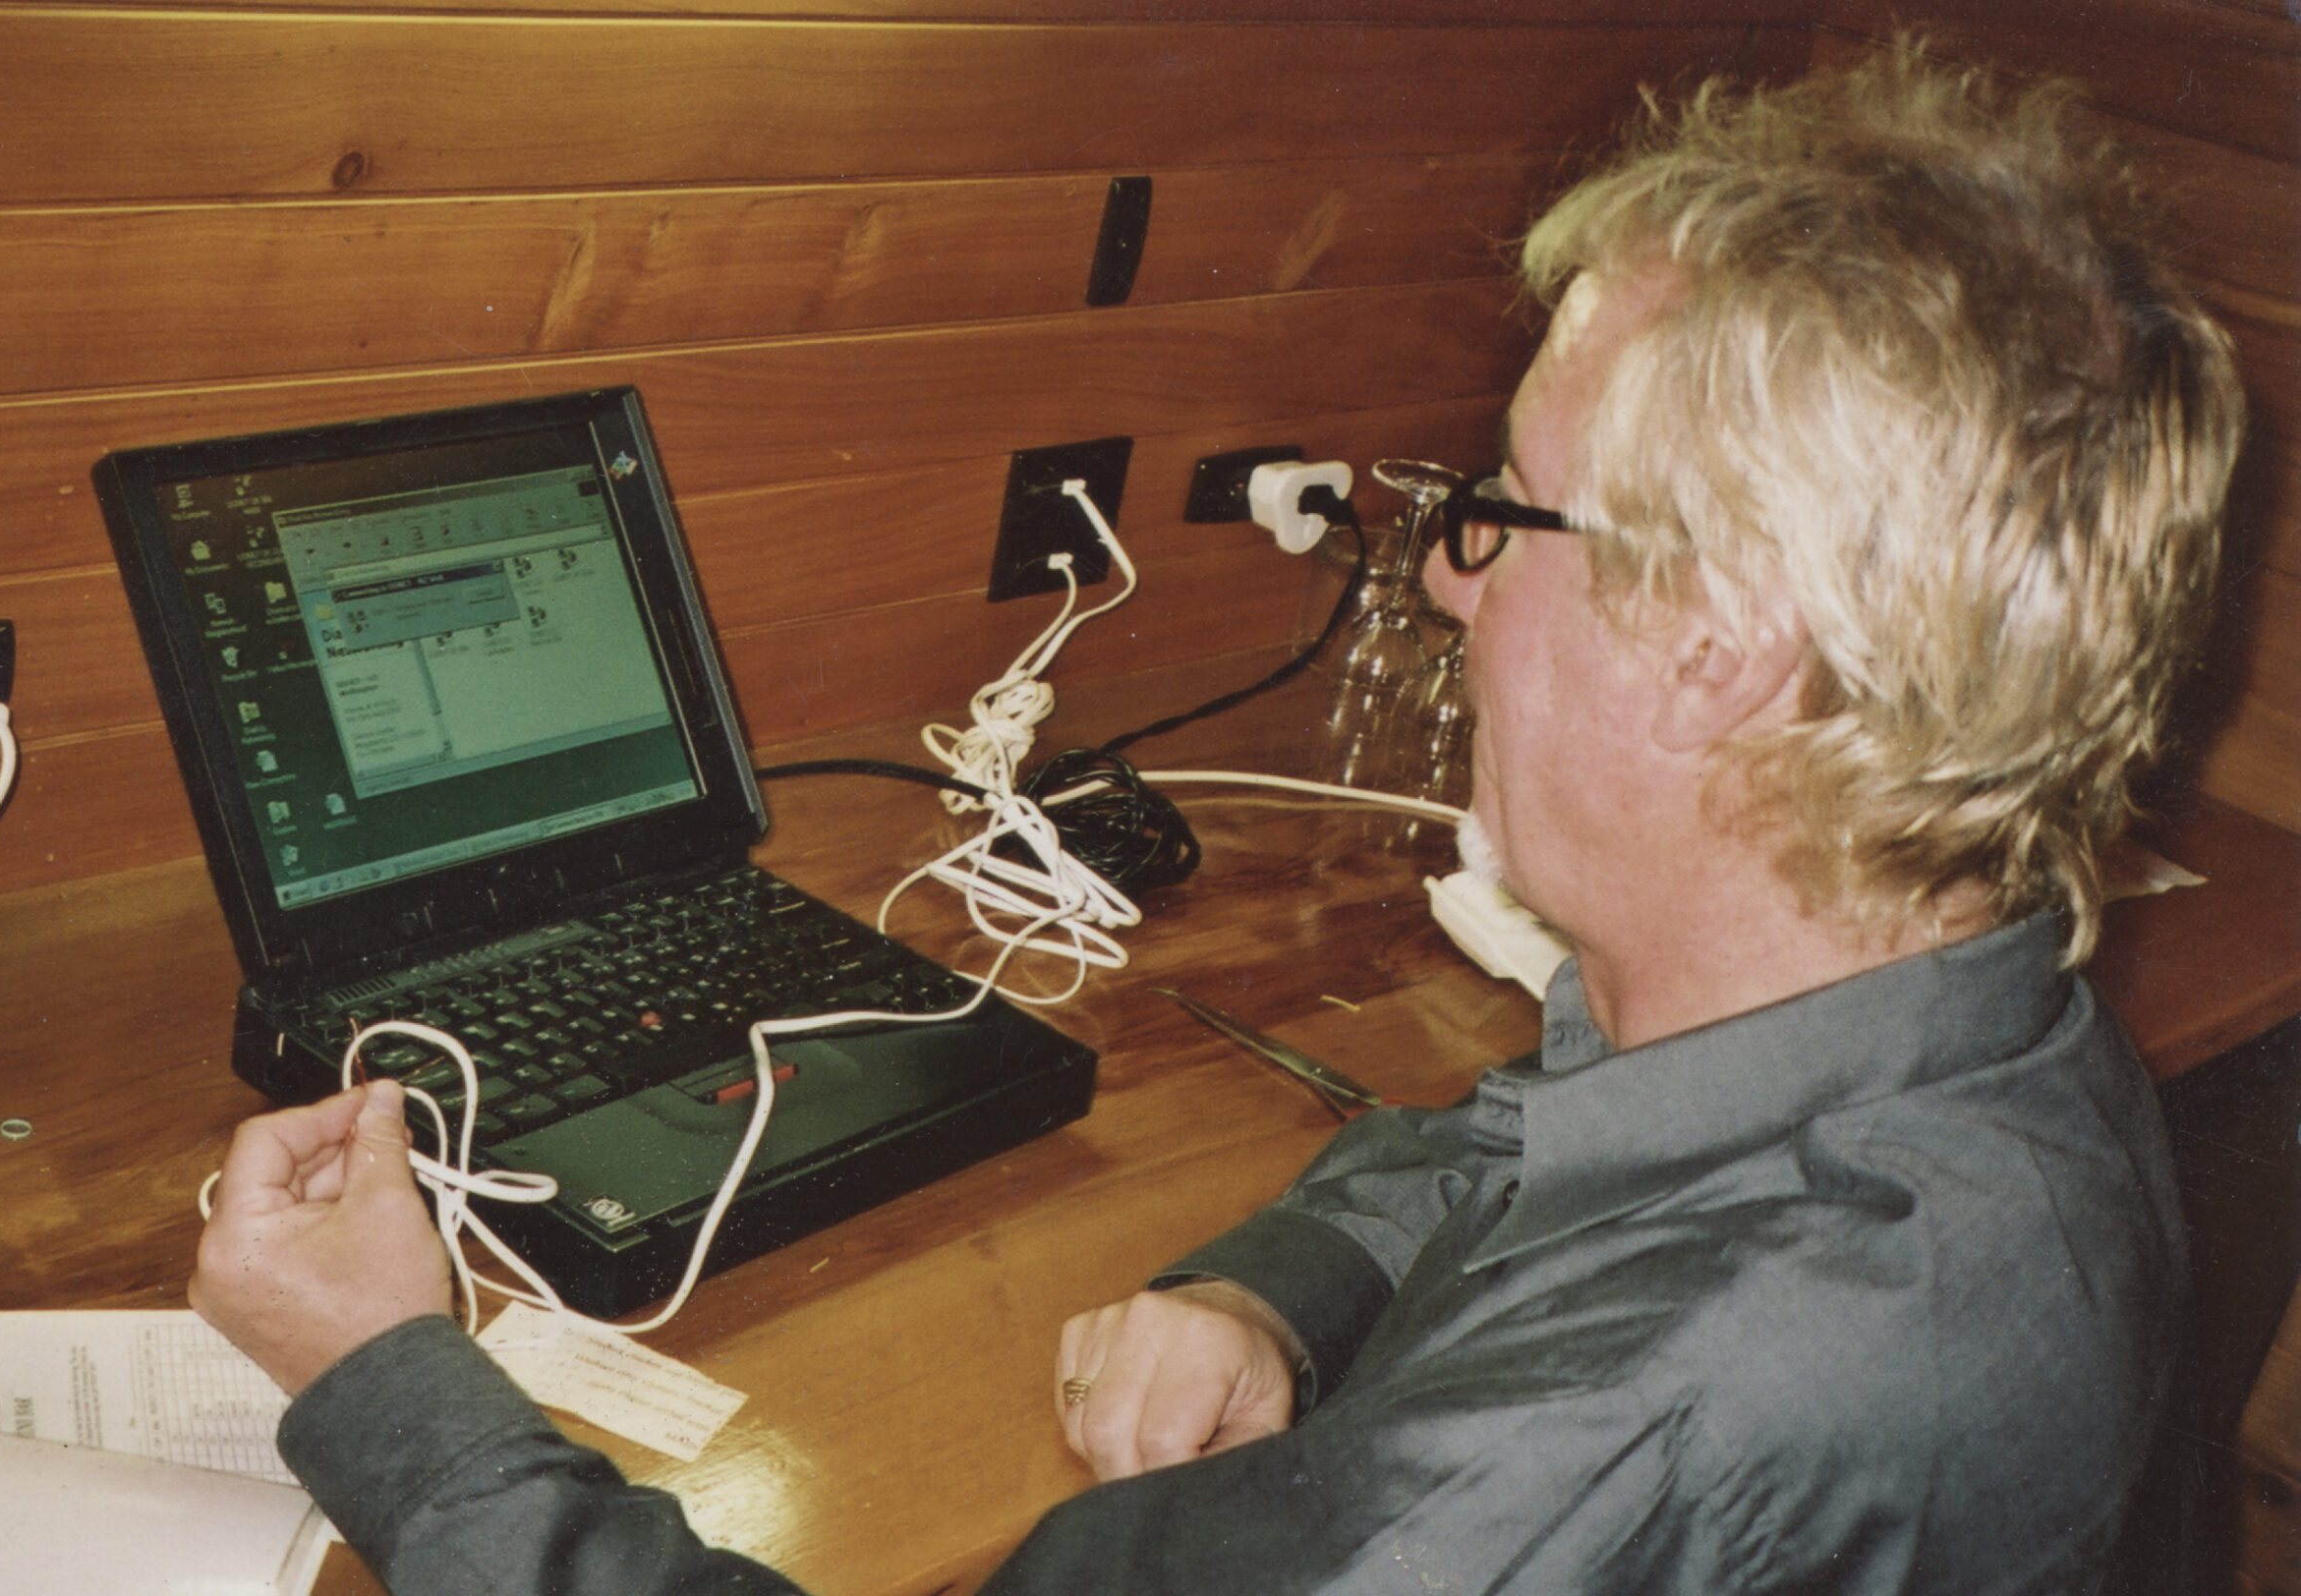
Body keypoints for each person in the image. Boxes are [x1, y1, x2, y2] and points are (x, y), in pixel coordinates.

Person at [192, 44, 2245, 1595]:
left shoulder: (1613, 1430)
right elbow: (1525, 1155)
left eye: (1501, 512)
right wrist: (1270, 1288)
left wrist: (384, 1371)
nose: (1446, 575)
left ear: (1710, 641)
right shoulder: (1966, 1031)